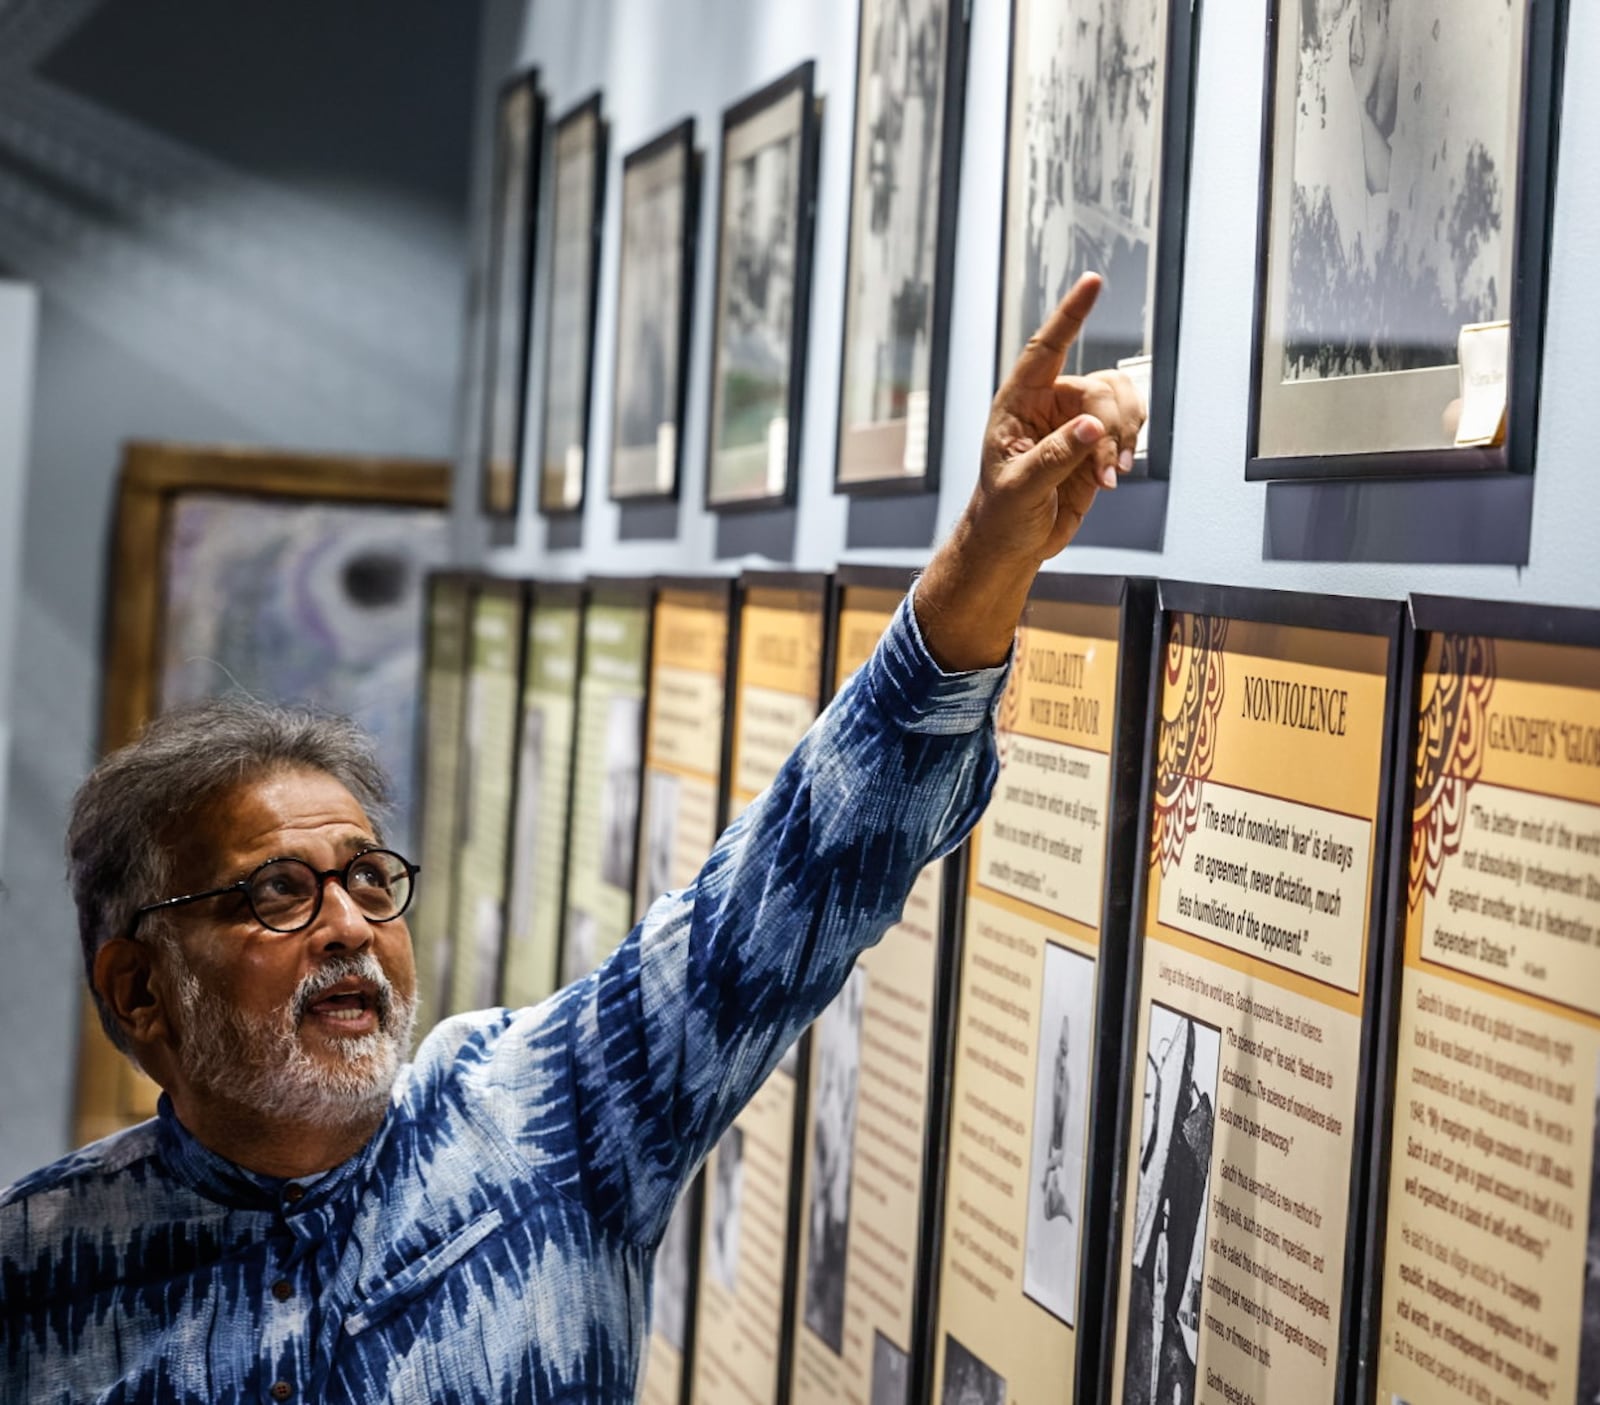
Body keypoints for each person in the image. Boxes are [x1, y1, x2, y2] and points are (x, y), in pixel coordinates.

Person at [0, 273, 1143, 1403]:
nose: (348, 923)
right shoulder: (40, 1273)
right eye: (281, 893)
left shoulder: (550, 1116)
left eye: (364, 877)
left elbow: (805, 866)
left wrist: (989, 553)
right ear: (141, 988)